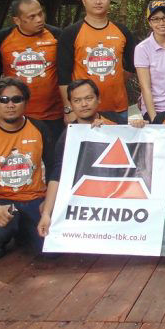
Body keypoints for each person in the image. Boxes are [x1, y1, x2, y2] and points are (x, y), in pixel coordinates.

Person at [0, 78, 57, 260]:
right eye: (4, 99)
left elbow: (55, 170)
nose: (10, 104)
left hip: (34, 199)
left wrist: (48, 209)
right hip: (1, 200)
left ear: (26, 102)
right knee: (1, 230)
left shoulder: (40, 129)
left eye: (17, 99)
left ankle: (25, 232)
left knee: (50, 251)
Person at [37, 78, 119, 239]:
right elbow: (57, 175)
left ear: (98, 99)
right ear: (71, 105)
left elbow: (140, 143)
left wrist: (137, 125)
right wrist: (47, 212)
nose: (84, 104)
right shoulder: (67, 135)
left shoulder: (116, 122)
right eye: (77, 100)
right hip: (86, 196)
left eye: (88, 98)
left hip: (117, 193)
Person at [57, 0, 137, 124]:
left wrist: (113, 81)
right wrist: (69, 109)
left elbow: (131, 67)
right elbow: (63, 76)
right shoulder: (71, 33)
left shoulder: (122, 31)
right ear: (83, 0)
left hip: (118, 108)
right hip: (83, 112)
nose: (98, 2)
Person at [0, 0, 63, 142]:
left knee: (53, 160)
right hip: (16, 114)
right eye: (32, 16)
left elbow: (67, 72)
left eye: (40, 13)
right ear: (17, 20)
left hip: (53, 114)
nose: (39, 19)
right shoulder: (1, 39)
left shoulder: (56, 35)